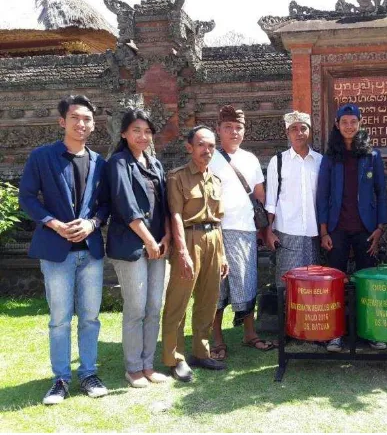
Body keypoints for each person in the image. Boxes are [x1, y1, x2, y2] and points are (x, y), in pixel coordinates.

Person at [18, 95, 109, 404]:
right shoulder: (42, 157)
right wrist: (53, 223)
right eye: (75, 118)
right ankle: (60, 378)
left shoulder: (100, 162)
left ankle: (88, 372)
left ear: (93, 125)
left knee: (90, 317)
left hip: (91, 252)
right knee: (59, 318)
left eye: (87, 119)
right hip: (56, 251)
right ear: (62, 122)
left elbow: (105, 205)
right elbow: (27, 197)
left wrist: (93, 224)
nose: (81, 124)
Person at [104, 109, 171, 388]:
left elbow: (167, 204)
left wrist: (166, 237)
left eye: (147, 131)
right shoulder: (118, 163)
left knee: (155, 306)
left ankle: (147, 364)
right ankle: (132, 368)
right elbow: (126, 206)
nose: (142, 136)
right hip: (132, 246)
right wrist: (148, 240)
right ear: (124, 134)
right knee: (136, 307)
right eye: (136, 131)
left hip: (158, 245)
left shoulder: (155, 164)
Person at [316, 103, 387, 352]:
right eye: (344, 121)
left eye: (353, 122)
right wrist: (324, 231)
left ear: (360, 124)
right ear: (337, 124)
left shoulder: (372, 156)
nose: (349, 126)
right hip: (336, 229)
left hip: (366, 230)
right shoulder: (330, 158)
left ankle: (371, 331)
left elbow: (381, 193)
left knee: (368, 281)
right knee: (335, 281)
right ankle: (334, 333)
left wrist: (380, 229)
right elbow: (322, 196)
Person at [161, 127, 229, 382]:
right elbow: (175, 215)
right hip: (188, 240)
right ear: (189, 147)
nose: (207, 150)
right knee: (178, 300)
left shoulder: (216, 179)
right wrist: (181, 252)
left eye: (211, 146)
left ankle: (202, 352)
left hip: (213, 240)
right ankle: (175, 358)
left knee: (208, 301)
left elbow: (217, 220)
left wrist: (222, 255)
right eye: (202, 145)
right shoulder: (177, 177)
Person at [209, 105, 276, 361]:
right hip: (216, 231)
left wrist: (265, 229)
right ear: (219, 130)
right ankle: (217, 339)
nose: (234, 132)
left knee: (247, 283)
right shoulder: (210, 157)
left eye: (238, 128)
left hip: (246, 231)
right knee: (217, 287)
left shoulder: (250, 159)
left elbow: (259, 195)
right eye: (228, 128)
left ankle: (250, 333)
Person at [265, 111, 322, 285]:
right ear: (287, 133)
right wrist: (269, 231)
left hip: (314, 233)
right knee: (287, 285)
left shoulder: (320, 161)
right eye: (294, 129)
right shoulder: (278, 161)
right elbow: (271, 201)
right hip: (287, 232)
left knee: (312, 285)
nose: (299, 133)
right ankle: (286, 313)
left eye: (303, 128)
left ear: (309, 131)